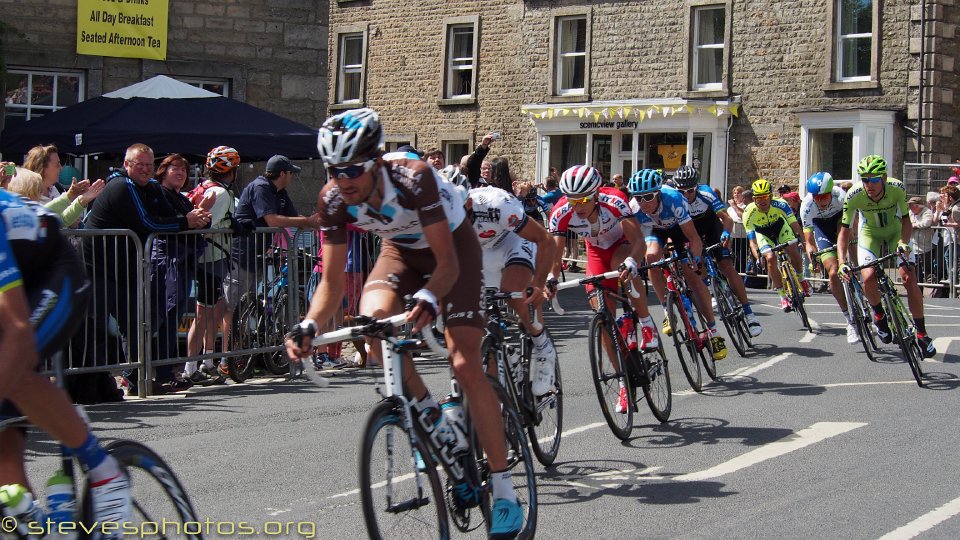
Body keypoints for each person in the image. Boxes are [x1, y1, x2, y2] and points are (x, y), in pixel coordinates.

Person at [287, 108, 525, 536]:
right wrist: (308, 324)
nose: (344, 180)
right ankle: (431, 417)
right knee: (374, 327)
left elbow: (448, 262)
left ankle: (505, 488)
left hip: (453, 252)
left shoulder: (414, 177)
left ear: (375, 160)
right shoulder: (334, 200)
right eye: (334, 170)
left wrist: (432, 297)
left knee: (466, 362)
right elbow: (332, 281)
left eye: (353, 169)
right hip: (399, 254)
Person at [0, 189, 131, 536]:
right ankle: (39, 525)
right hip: (18, 281)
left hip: (53, 273)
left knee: (12, 369)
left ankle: (106, 473)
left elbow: (17, 332)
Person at [85, 143, 211, 395]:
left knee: (133, 326)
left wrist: (195, 216)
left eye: (148, 165)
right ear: (126, 165)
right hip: (98, 267)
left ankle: (134, 381)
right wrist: (185, 222)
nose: (144, 169)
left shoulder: (151, 187)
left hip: (127, 268)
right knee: (96, 328)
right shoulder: (122, 186)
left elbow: (173, 214)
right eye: (138, 164)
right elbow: (148, 222)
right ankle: (90, 383)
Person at [546, 165, 660, 413]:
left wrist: (632, 261)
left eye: (585, 199)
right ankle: (623, 381)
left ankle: (646, 322)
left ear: (596, 194)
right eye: (573, 200)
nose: (579, 206)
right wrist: (551, 279)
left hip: (622, 244)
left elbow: (639, 241)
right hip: (596, 251)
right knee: (603, 318)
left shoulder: (614, 200)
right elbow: (555, 259)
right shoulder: (560, 212)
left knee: (621, 264)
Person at [458, 169, 558, 396]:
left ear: (468, 204)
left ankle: (543, 347)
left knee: (513, 291)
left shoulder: (497, 205)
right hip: (482, 252)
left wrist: (539, 284)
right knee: (473, 317)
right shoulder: (439, 220)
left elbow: (546, 241)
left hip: (514, 240)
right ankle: (505, 355)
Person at [223, 154, 321, 375]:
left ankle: (252, 356)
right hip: (244, 254)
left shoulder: (280, 192)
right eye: (291, 174)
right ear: (283, 173)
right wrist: (307, 221)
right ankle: (225, 358)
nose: (293, 178)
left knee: (251, 303)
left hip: (261, 254)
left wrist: (317, 222)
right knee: (235, 307)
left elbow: (294, 218)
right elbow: (273, 221)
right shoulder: (261, 187)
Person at [837, 155, 936, 357]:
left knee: (909, 277)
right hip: (869, 235)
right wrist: (841, 262)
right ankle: (880, 315)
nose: (869, 184)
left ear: (883, 178)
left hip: (895, 233)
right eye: (865, 179)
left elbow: (907, 221)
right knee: (867, 277)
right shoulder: (854, 195)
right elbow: (844, 232)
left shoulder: (897, 188)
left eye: (873, 179)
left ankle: (922, 333)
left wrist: (902, 243)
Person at [627, 169, 729, 360]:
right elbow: (631, 240)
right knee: (652, 257)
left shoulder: (674, 199)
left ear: (658, 193)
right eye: (638, 198)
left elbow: (694, 238)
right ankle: (667, 308)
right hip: (654, 231)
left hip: (678, 230)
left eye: (648, 197)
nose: (644, 203)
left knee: (692, 276)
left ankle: (714, 332)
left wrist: (696, 260)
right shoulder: (634, 208)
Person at [672, 166, 762, 336]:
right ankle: (711, 291)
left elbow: (727, 219)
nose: (686, 195)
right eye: (681, 191)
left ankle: (749, 313)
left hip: (712, 227)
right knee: (697, 267)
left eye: (690, 190)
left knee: (726, 266)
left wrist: (726, 233)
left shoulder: (706, 194)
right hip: (691, 232)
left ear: (696, 187)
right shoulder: (675, 200)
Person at [186, 146, 241, 383]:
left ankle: (207, 360)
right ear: (232, 171)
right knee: (203, 313)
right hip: (210, 257)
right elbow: (206, 223)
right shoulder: (221, 194)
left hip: (210, 257)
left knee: (215, 308)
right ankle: (191, 368)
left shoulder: (204, 187)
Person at [800, 172, 858, 343]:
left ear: (831, 192)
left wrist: (852, 235)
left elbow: (851, 222)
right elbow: (809, 241)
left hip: (841, 221)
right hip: (821, 228)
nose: (822, 201)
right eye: (817, 197)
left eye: (824, 197)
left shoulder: (840, 195)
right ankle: (849, 319)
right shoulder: (807, 206)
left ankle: (859, 274)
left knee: (850, 244)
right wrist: (813, 257)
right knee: (833, 272)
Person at [743, 178, 810, 311]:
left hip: (780, 227)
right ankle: (782, 296)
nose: (762, 201)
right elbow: (752, 242)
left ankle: (801, 279)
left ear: (771, 196)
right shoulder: (748, 212)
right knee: (770, 258)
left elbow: (794, 225)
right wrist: (758, 258)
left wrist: (804, 242)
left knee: (792, 249)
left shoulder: (781, 204)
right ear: (754, 199)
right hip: (762, 233)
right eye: (758, 198)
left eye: (765, 197)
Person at [908, 195, 935, 284]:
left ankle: (932, 284)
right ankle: (919, 290)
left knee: (927, 268)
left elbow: (926, 223)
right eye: (910, 205)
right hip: (914, 246)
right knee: (916, 271)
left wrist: (914, 225)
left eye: (912, 205)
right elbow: (906, 223)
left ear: (918, 206)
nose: (910, 207)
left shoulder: (927, 212)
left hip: (925, 246)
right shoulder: (910, 213)